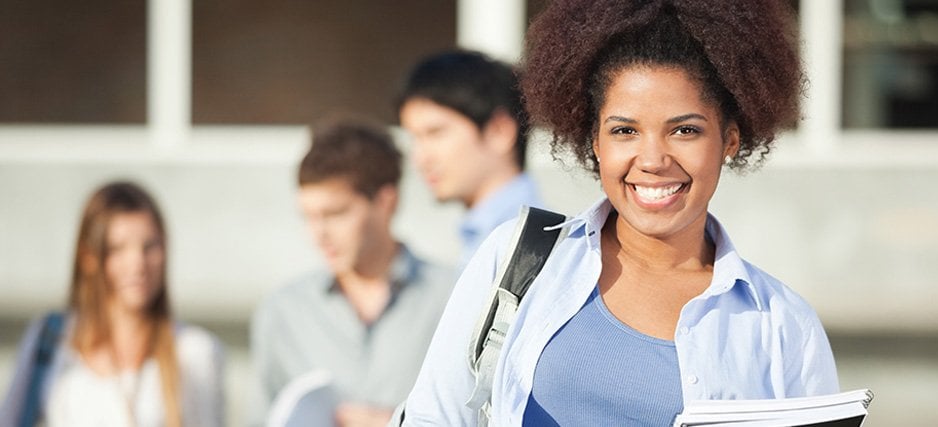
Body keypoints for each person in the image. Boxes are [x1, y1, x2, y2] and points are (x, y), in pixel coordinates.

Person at [396, 0, 840, 425]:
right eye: (624, 131)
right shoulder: (516, 263)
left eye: (685, 130)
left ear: (729, 140)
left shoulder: (783, 324)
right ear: (595, 142)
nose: (652, 159)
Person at [248, 115, 455, 427]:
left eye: (335, 213)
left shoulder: (455, 299)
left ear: (386, 202)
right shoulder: (282, 312)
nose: (317, 234)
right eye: (308, 217)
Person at [0, 181, 225, 427]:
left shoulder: (194, 352)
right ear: (89, 257)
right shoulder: (49, 339)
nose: (137, 264)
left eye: (150, 247)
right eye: (117, 249)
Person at [396, 49, 544, 267]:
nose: (420, 158)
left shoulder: (529, 244)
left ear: (498, 131)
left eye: (435, 133)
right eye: (415, 138)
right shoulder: (484, 235)